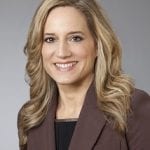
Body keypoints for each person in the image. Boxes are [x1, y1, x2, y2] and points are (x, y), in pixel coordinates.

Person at [17, 0, 150, 150]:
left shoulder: (131, 108)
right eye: (50, 39)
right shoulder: (31, 117)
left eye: (75, 38)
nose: (62, 53)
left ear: (98, 45)